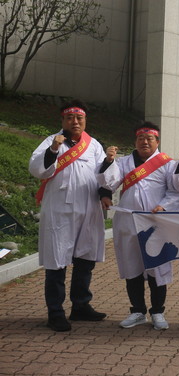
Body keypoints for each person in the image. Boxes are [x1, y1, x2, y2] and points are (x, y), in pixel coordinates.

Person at [97, 122, 179, 330]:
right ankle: (137, 311)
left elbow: (176, 191)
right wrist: (108, 161)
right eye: (141, 138)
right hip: (129, 221)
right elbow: (109, 183)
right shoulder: (123, 162)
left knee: (157, 266)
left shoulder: (167, 164)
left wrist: (164, 206)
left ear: (157, 141)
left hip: (155, 222)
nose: (145, 142)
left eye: (149, 139)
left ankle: (157, 311)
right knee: (132, 267)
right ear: (135, 141)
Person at [29, 100, 111, 332]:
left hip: (88, 207)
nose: (75, 122)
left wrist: (105, 193)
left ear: (85, 120)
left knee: (85, 258)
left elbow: (103, 174)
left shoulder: (93, 145)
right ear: (63, 120)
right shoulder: (51, 141)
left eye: (79, 118)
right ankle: (55, 312)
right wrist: (54, 149)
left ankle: (81, 305)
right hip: (60, 210)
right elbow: (36, 169)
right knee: (57, 260)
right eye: (70, 118)